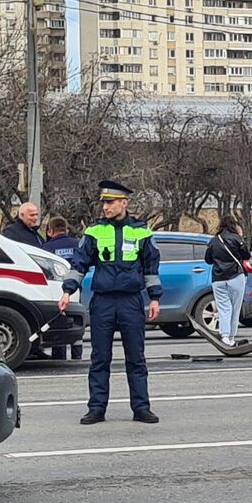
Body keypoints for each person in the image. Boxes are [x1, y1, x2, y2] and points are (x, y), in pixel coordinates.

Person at [59, 180, 162, 425]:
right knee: (99, 358)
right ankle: (96, 408)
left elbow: (151, 266)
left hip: (131, 301)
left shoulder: (141, 231)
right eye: (104, 202)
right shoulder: (95, 231)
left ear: (124, 203)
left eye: (110, 202)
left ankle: (141, 408)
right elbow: (79, 264)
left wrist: (155, 298)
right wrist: (67, 291)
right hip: (103, 301)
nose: (105, 207)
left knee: (136, 358)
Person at [205, 215, 252, 348]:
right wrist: (241, 237)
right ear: (234, 225)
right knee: (235, 308)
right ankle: (231, 337)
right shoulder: (237, 239)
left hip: (218, 278)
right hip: (236, 276)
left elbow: (208, 260)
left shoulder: (214, 241)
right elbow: (246, 255)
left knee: (224, 308)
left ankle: (224, 336)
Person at [44, 216, 84, 361]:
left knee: (59, 320)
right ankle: (77, 354)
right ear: (65, 229)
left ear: (50, 231)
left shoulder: (46, 248)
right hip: (76, 288)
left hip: (56, 290)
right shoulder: (78, 244)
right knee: (76, 320)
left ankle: (59, 355)